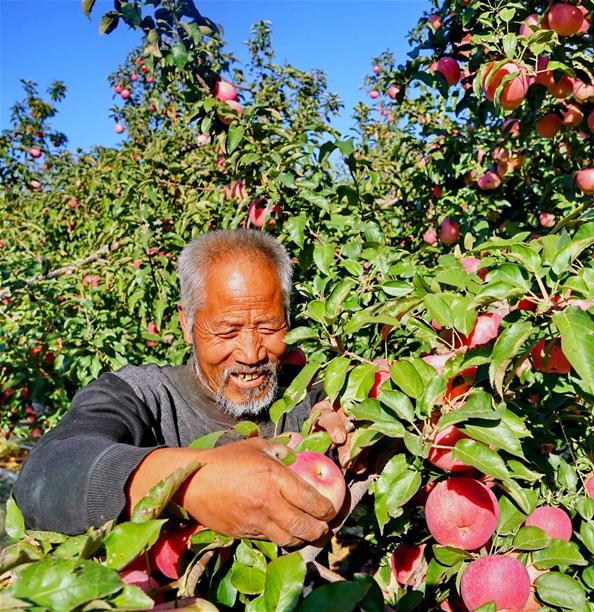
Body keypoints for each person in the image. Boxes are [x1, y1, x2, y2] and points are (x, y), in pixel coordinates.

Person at [14, 229, 350, 548]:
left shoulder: (308, 391)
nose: (251, 353)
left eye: (267, 326)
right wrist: (189, 482)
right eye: (227, 330)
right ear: (186, 324)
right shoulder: (141, 396)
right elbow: (46, 475)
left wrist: (350, 420)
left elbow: (347, 410)